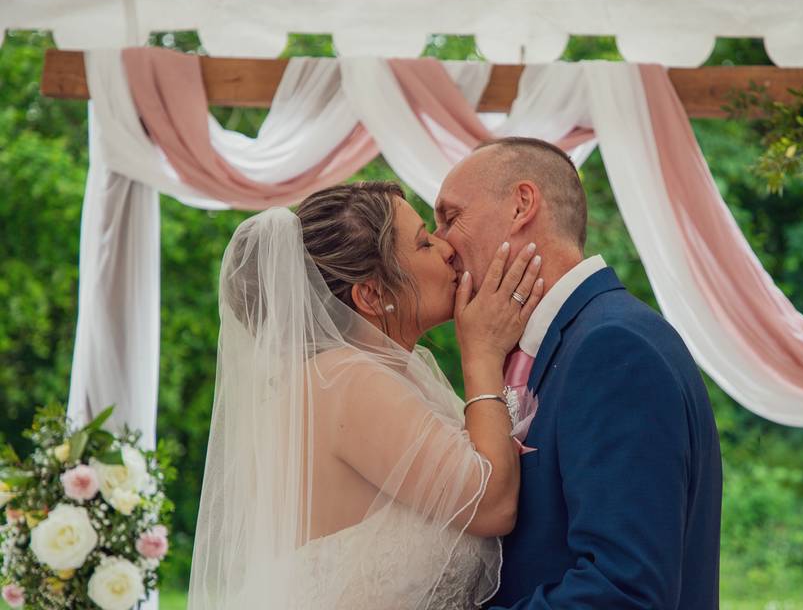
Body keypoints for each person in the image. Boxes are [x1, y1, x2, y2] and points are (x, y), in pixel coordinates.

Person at [188, 181, 545, 609]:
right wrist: (483, 352)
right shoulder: (344, 380)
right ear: (372, 295)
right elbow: (493, 505)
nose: (447, 247)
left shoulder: (378, 376)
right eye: (423, 244)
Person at [435, 137, 723, 609]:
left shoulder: (612, 348)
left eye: (451, 217)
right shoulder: (564, 341)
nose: (442, 243)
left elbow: (625, 592)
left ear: (522, 204)